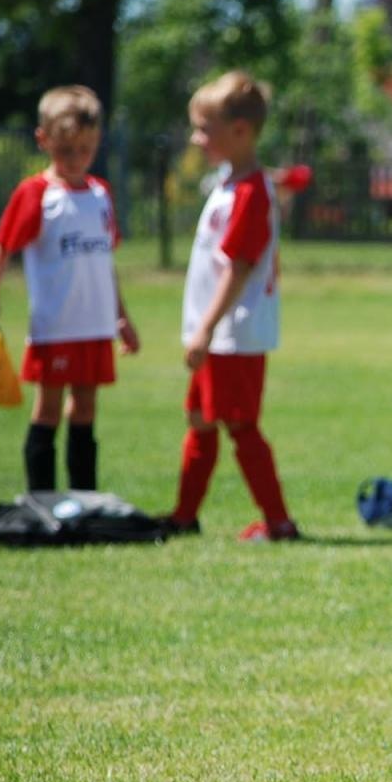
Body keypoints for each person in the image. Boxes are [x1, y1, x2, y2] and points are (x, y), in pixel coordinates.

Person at [0, 86, 140, 492]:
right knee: (48, 409)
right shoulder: (37, 194)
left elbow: (104, 263)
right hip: (56, 325)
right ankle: (41, 498)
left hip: (96, 325)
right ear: (43, 139)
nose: (76, 158)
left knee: (85, 409)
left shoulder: (100, 194)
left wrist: (121, 316)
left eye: (85, 148)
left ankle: (83, 498)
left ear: (97, 140)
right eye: (65, 150)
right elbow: (1, 247)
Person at [158, 70, 300, 542]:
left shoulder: (251, 193)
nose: (197, 139)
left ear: (240, 131)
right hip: (215, 332)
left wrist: (205, 329)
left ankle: (279, 522)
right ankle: (183, 517)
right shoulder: (230, 183)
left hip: (233, 333)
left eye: (205, 129)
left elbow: (237, 268)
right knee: (199, 419)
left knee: (240, 425)